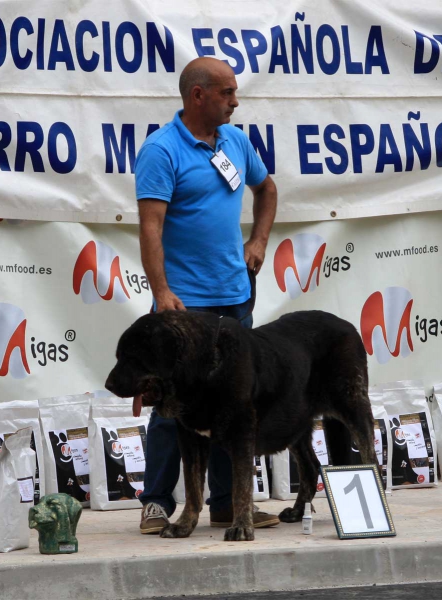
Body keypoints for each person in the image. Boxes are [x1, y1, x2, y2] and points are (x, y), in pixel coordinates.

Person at [133, 56, 278, 534]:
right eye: (227, 93)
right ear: (198, 95)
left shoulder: (235, 141)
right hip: (184, 307)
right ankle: (155, 502)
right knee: (170, 404)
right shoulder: (162, 150)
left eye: (235, 93)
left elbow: (267, 189)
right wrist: (162, 293)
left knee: (235, 406)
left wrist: (258, 240)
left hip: (235, 299)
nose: (235, 102)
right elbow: (150, 228)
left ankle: (225, 503)